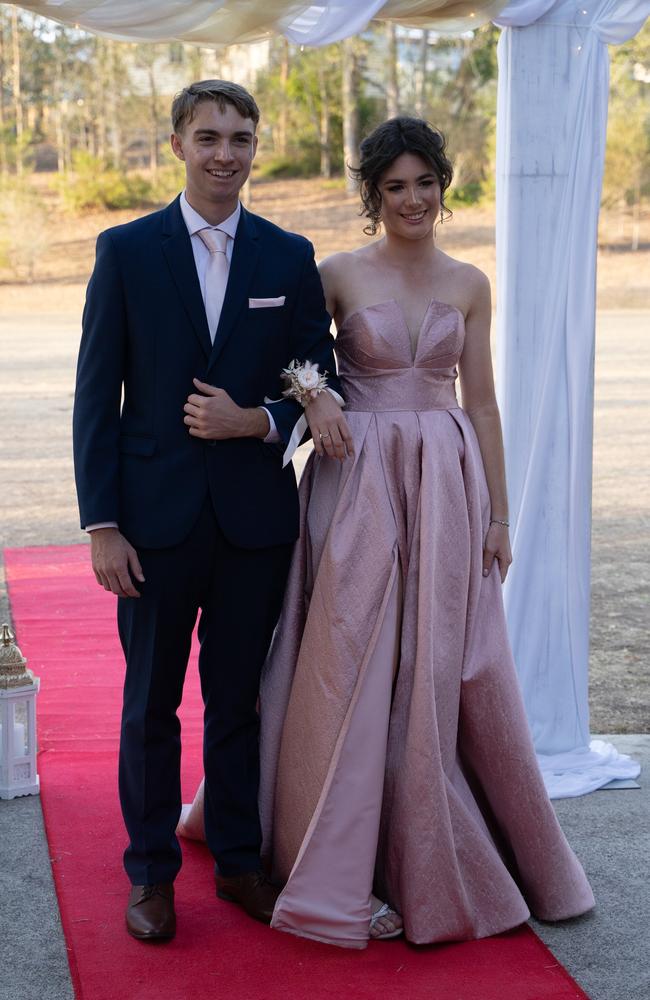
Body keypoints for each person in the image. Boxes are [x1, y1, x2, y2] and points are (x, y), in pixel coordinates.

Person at [179, 116, 595, 947]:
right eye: (394, 186)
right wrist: (313, 394)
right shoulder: (331, 273)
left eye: (425, 183)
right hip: (354, 479)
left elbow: (480, 403)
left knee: (439, 659)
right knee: (344, 654)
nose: (413, 199)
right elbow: (295, 362)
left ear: (445, 185)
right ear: (373, 196)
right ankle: (324, 845)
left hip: (445, 477)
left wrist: (500, 514)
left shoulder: (472, 281)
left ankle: (435, 847)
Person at [72, 79, 350, 942]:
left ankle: (236, 863)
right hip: (151, 526)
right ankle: (150, 874)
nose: (224, 152)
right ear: (177, 144)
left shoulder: (287, 255)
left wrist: (261, 422)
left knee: (238, 702)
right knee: (150, 705)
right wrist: (102, 524)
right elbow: (95, 397)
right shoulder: (125, 251)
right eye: (208, 136)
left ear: (255, 147)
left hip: (253, 526)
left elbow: (322, 374)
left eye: (239, 137)